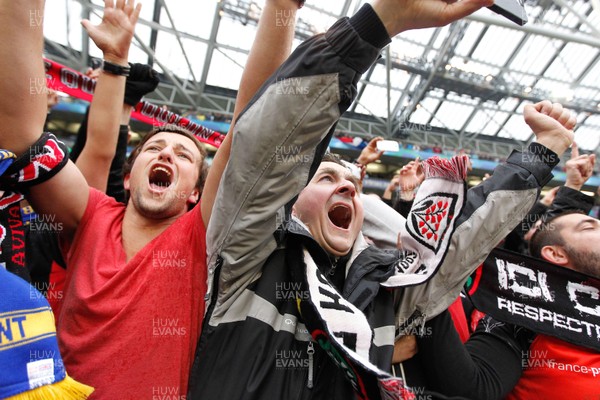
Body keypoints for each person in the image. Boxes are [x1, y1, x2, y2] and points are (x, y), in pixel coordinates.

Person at [188, 0, 575, 398]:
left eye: (352, 183)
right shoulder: (245, 260)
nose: (348, 187)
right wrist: (378, 24)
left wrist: (544, 151)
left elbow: (458, 245)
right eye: (325, 178)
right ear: (290, 199)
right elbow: (268, 150)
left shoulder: (384, 294)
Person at [0, 0, 301, 397]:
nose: (165, 154)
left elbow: (249, 133)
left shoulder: (201, 238)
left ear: (197, 192)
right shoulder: (90, 215)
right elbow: (29, 138)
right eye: (154, 147)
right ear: (127, 178)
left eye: (183, 155)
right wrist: (113, 61)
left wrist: (283, 7)